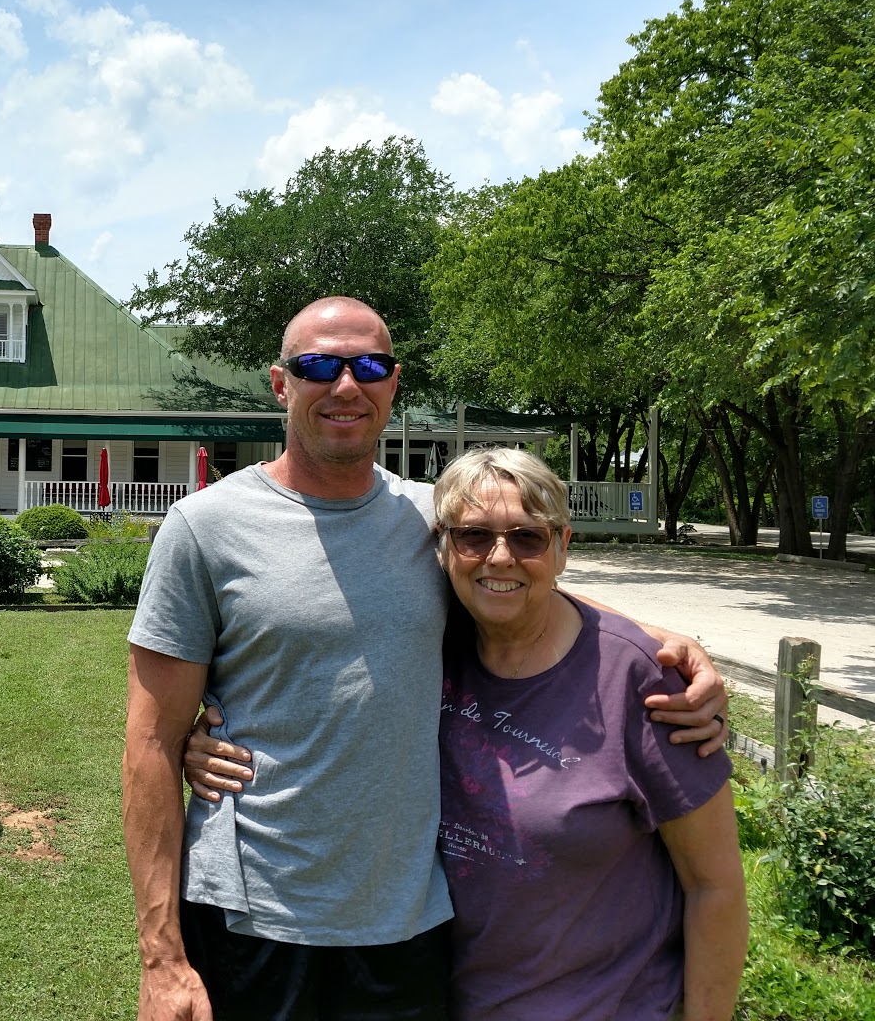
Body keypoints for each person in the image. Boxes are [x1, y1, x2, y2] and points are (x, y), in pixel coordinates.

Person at [124, 296, 728, 1021]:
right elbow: (151, 744)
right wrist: (162, 958)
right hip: (253, 921)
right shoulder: (205, 528)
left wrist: (670, 643)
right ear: (282, 384)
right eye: (320, 365)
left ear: (393, 383)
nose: (346, 385)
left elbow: (520, 583)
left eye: (369, 366)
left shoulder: (431, 522)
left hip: (409, 925)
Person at [190, 447, 748, 1019]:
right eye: (474, 537)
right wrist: (210, 739)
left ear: (562, 545)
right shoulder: (435, 647)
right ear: (444, 551)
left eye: (527, 538)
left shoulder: (641, 682)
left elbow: (716, 887)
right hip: (436, 991)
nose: (499, 556)